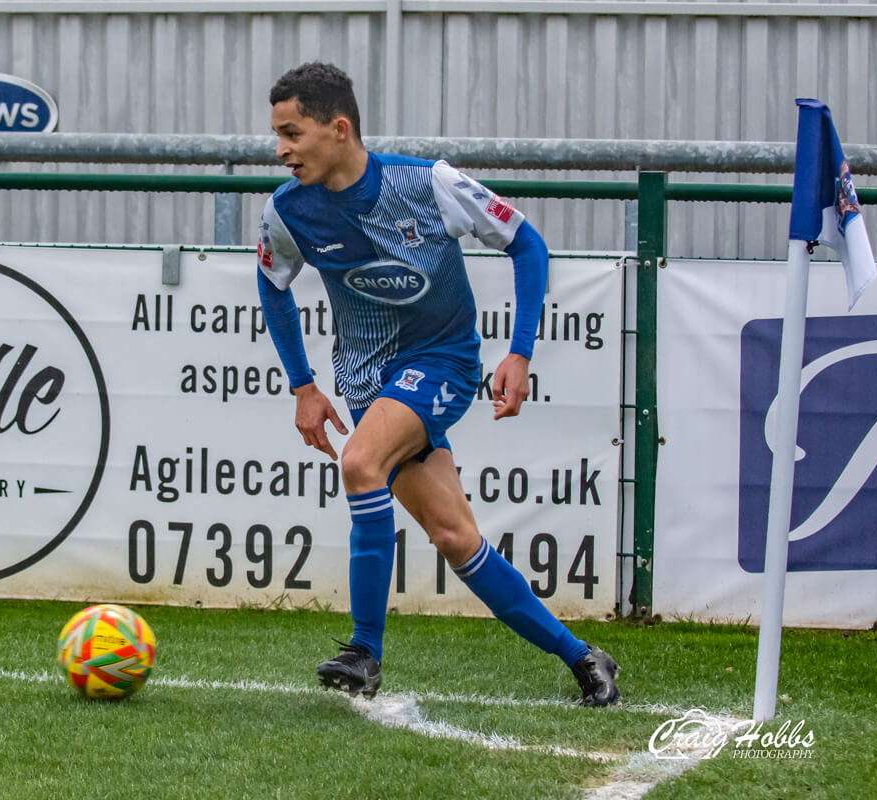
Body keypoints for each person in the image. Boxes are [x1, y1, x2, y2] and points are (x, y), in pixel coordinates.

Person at [255, 62, 620, 706]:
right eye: (277, 135)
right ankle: (585, 657)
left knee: (360, 461)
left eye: (292, 132)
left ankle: (365, 650)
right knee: (456, 538)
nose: (280, 149)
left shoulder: (428, 183)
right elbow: (272, 283)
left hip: (443, 363)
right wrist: (302, 385)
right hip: (369, 382)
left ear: (338, 129)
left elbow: (526, 243)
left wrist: (520, 353)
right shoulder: (288, 209)